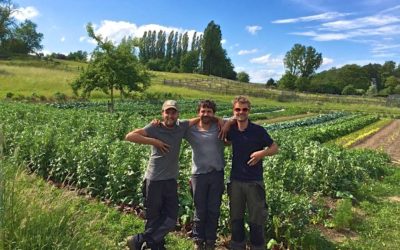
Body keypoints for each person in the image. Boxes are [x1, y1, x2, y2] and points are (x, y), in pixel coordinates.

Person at [125, 100, 197, 250]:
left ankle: (139, 240)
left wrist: (223, 121)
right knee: (153, 216)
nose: (170, 115)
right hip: (154, 179)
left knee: (171, 217)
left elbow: (199, 119)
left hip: (170, 180)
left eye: (173, 112)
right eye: (167, 112)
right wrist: (155, 142)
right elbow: (130, 136)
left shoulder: (181, 126)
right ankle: (155, 246)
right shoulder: (154, 127)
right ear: (162, 113)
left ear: (178, 114)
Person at [225, 95, 278, 250]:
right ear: (233, 111)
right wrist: (228, 122)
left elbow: (274, 148)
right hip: (235, 181)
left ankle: (257, 246)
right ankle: (237, 245)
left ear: (249, 111)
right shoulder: (232, 130)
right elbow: (219, 128)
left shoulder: (258, 131)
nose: (241, 112)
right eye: (237, 109)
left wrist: (261, 154)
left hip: (254, 181)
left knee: (256, 218)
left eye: (244, 109)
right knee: (236, 217)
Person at [184, 100, 227, 250]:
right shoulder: (191, 130)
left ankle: (210, 242)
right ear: (198, 112)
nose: (205, 114)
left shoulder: (220, 126)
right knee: (199, 209)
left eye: (209, 111)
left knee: (214, 209)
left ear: (213, 113)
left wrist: (220, 120)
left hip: (216, 174)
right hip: (198, 175)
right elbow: (178, 124)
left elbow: (235, 120)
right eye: (202, 111)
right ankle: (198, 240)